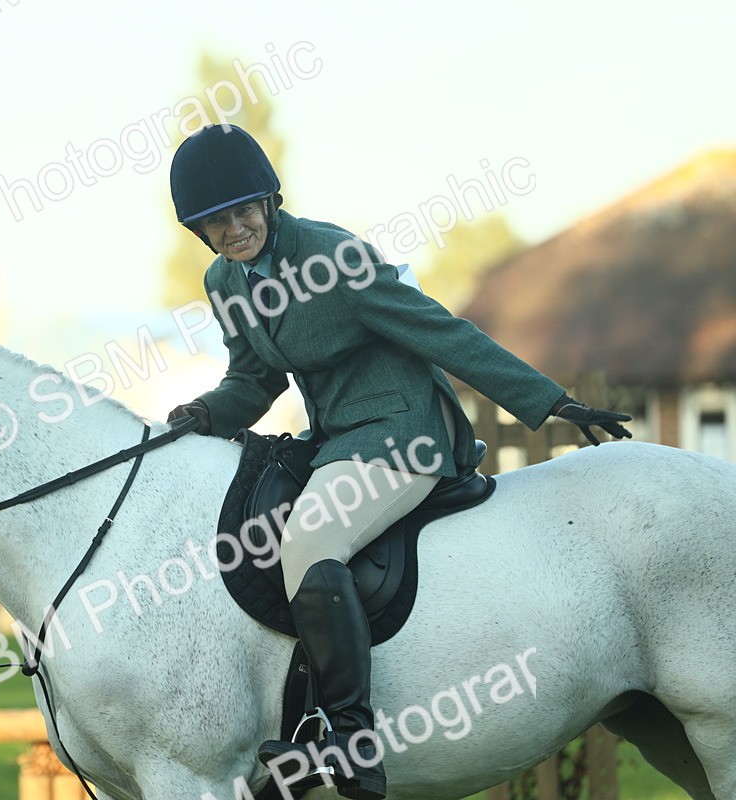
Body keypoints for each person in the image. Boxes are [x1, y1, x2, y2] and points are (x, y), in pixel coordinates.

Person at [166, 124, 631, 800]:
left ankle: (350, 744)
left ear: (269, 201)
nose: (236, 229)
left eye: (244, 210)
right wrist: (206, 413)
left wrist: (549, 402)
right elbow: (254, 380)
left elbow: (439, 329)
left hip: (404, 430)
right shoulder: (223, 281)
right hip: (334, 439)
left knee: (310, 539)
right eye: (217, 220)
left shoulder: (333, 255)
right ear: (200, 230)